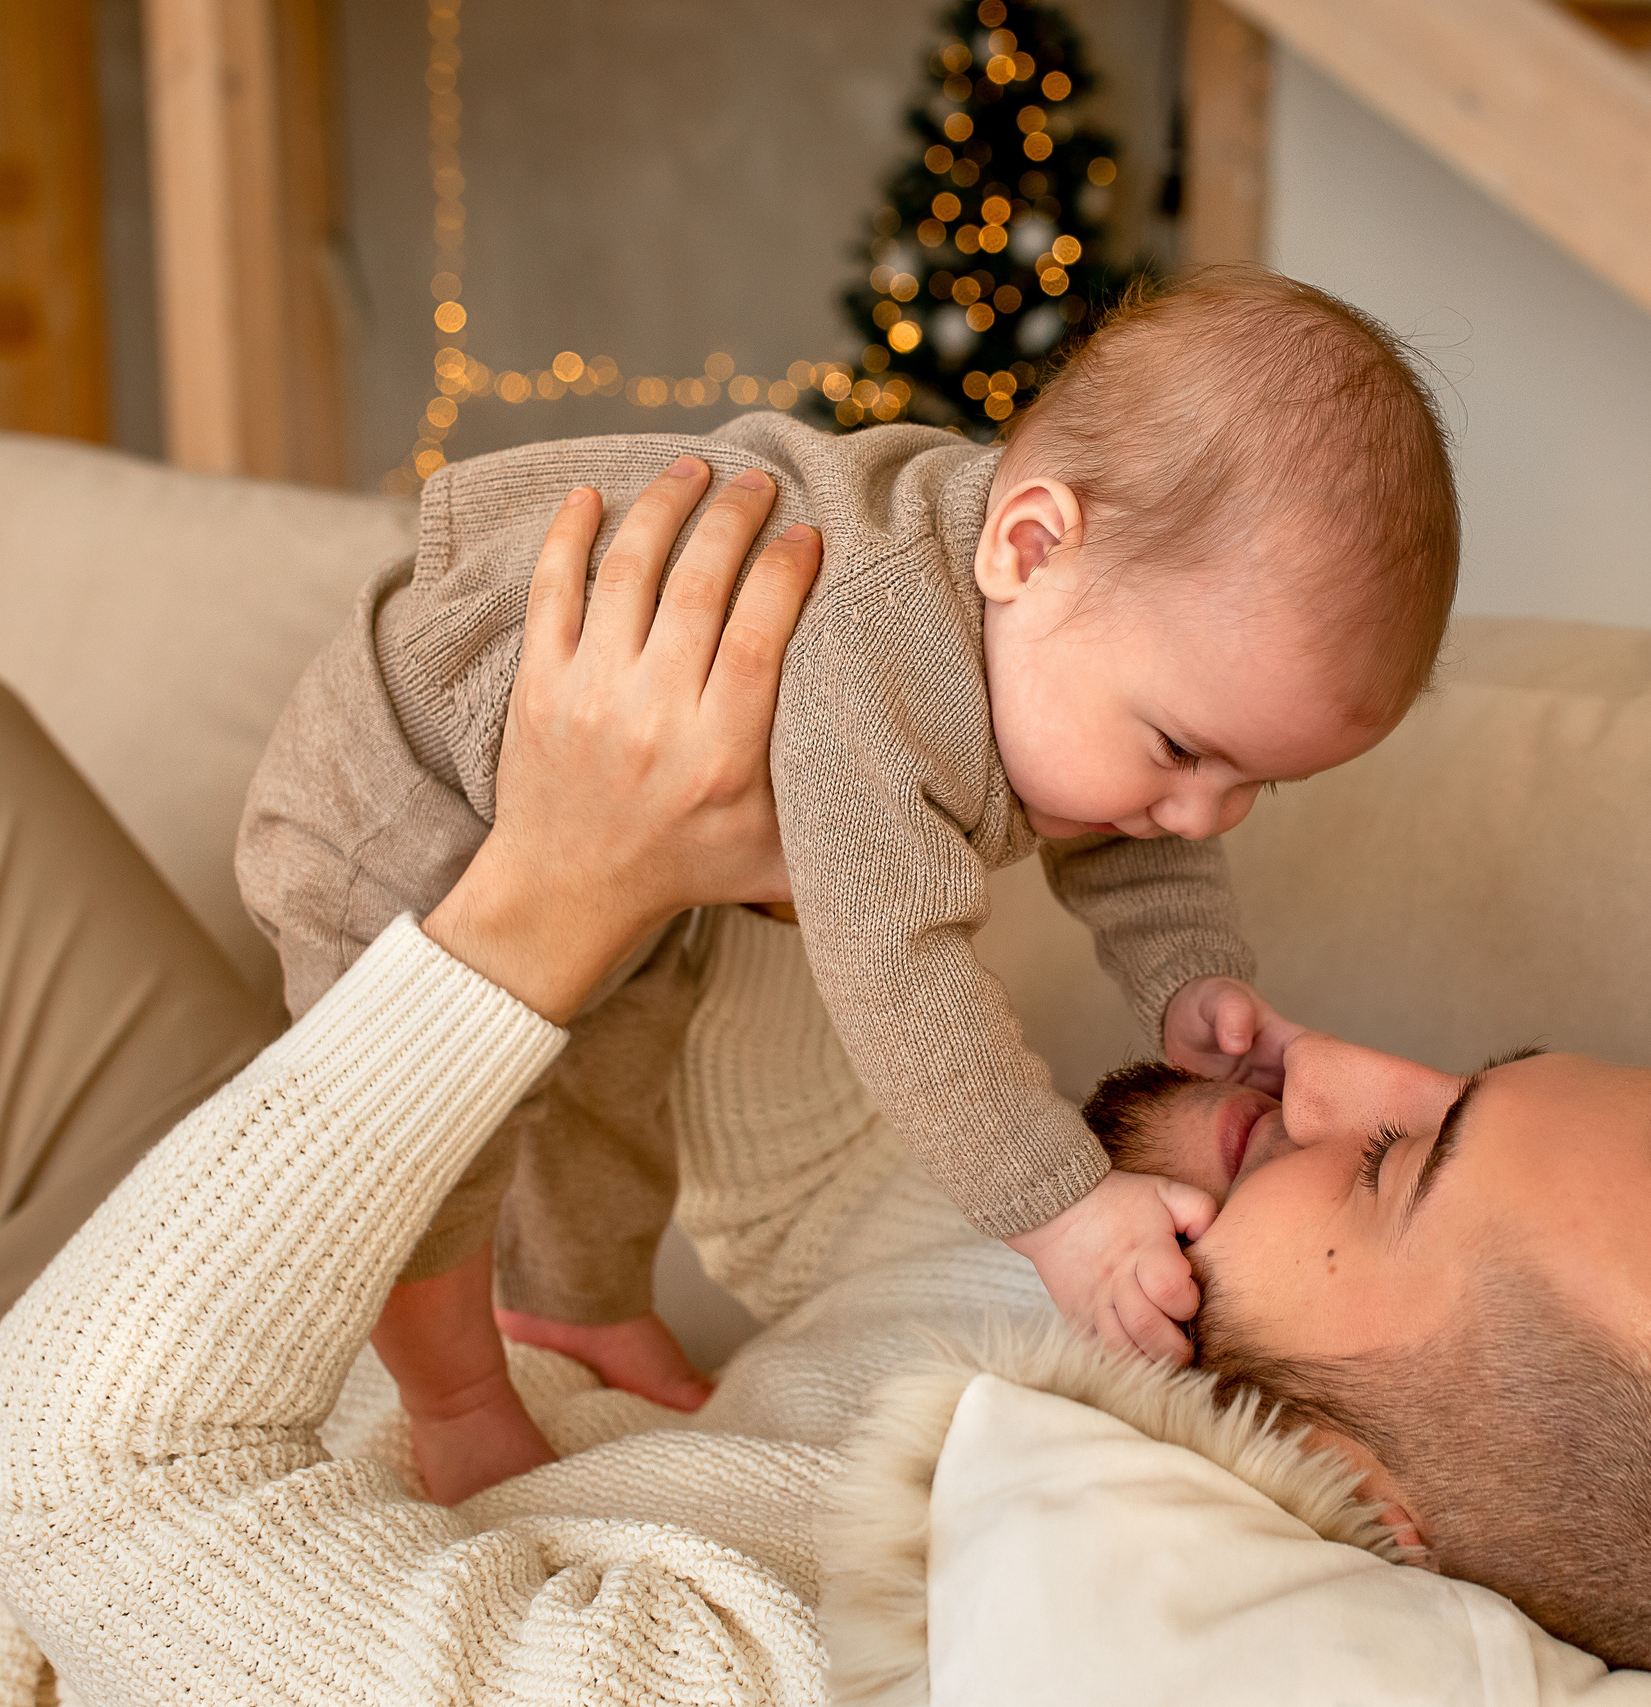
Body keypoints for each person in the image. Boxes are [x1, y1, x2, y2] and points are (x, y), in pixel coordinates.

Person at [0, 462, 1651, 1706]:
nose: (1324, 1057)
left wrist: (553, 886)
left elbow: (77, 1477)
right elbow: (804, 1172)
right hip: (287, 1251)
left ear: (1384, 1502)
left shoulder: (824, 1661)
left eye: (1404, 1155)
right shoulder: (1118, 1298)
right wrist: (826, 749)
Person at [235, 265, 1464, 1495]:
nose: (1197, 812)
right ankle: (451, 1398)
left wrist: (1190, 972)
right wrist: (1062, 1211)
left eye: (1254, 783)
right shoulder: (884, 654)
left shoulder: (1069, 636)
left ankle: (574, 1305)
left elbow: (1137, 840)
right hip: (402, 779)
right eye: (1180, 750)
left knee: (614, 1064)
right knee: (428, 1131)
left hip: (615, 829)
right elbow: (898, 973)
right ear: (1027, 548)